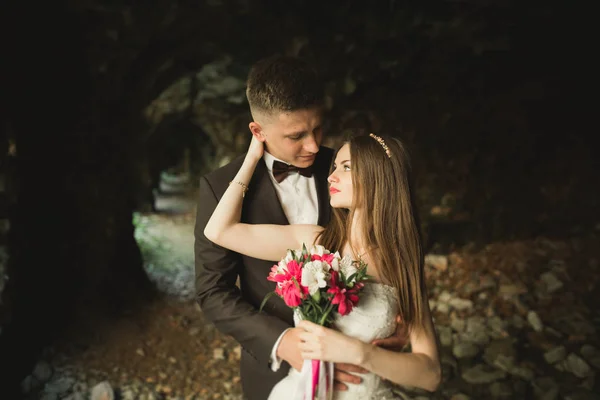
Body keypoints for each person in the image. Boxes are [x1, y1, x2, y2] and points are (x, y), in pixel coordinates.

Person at [194, 55, 407, 400]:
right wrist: (283, 342)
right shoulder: (221, 189)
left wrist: (400, 319)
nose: (313, 145)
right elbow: (212, 291)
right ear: (258, 131)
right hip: (276, 369)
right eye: (296, 135)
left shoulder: (345, 169)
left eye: (318, 128)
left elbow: (392, 236)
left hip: (361, 365)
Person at [204, 133, 442, 399]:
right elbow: (219, 231)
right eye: (335, 166)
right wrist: (251, 158)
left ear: (379, 177)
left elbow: (430, 375)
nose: (331, 176)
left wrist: (361, 353)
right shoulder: (314, 241)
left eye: (347, 167)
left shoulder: (402, 263)